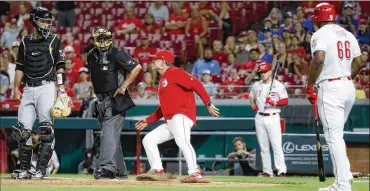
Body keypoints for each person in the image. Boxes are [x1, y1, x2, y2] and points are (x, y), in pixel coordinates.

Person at [135, 50, 220, 183]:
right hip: (171, 120)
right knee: (149, 139)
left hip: (181, 115)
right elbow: (164, 108)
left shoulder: (175, 72)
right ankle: (157, 170)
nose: (153, 61)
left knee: (182, 141)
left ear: (163, 62)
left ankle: (195, 172)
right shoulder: (164, 78)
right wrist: (148, 120)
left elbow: (196, 84)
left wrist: (207, 103)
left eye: (155, 59)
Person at [306, 3, 363, 191]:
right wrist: (346, 77)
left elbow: (319, 58)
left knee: (333, 137)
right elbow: (360, 61)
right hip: (348, 85)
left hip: (330, 87)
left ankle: (342, 185)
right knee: (337, 136)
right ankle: (345, 175)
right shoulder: (347, 33)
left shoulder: (320, 34)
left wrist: (309, 84)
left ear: (316, 18)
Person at [10, 7, 71, 179]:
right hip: (28, 87)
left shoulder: (54, 40)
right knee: (22, 131)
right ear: (34, 21)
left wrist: (61, 89)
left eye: (48, 22)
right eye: (43, 21)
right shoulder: (24, 41)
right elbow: (20, 66)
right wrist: (16, 88)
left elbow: (60, 66)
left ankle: (42, 170)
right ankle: (25, 169)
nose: (46, 25)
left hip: (47, 86)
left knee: (45, 130)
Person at [86, 27, 142, 179]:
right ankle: (120, 171)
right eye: (101, 38)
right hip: (101, 99)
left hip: (116, 98)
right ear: (95, 40)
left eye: (106, 38)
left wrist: (124, 86)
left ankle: (107, 168)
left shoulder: (116, 53)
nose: (103, 41)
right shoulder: (91, 55)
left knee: (108, 133)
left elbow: (137, 67)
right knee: (112, 136)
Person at [248, 62, 288, 177]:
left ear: (270, 72)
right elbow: (251, 97)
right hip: (260, 116)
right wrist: (253, 106)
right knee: (263, 146)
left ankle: (281, 171)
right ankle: (267, 171)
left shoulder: (278, 85)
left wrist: (273, 102)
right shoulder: (256, 85)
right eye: (261, 72)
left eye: (265, 72)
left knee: (276, 145)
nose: (263, 74)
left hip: (273, 115)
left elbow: (285, 101)